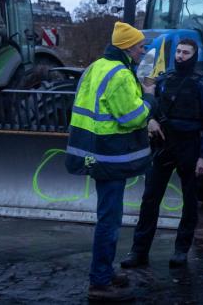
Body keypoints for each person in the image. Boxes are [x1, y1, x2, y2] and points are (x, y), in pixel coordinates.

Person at [66, 21, 155, 302]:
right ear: (128, 47)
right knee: (109, 219)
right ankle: (100, 280)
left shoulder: (96, 66)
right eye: (141, 46)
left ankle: (104, 271)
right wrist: (150, 99)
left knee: (108, 217)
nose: (144, 50)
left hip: (91, 150)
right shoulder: (120, 75)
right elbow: (131, 117)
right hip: (109, 155)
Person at [120, 38, 203, 270]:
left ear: (194, 56)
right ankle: (139, 251)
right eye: (178, 51)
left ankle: (181, 250)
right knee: (150, 199)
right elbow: (150, 106)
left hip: (190, 146)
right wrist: (151, 120)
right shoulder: (163, 80)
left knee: (190, 203)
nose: (180, 56)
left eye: (185, 52)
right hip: (164, 144)